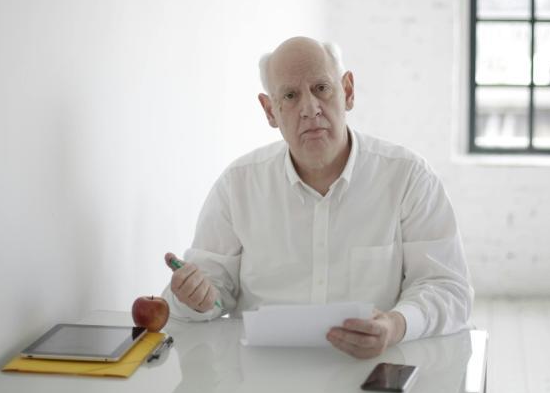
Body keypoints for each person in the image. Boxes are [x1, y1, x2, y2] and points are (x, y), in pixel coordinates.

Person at [162, 36, 473, 359]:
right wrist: (196, 298)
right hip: (262, 383)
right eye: (290, 95)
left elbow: (448, 288)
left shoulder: (408, 177)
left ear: (348, 91)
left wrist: (395, 325)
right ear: (270, 111)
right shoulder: (237, 185)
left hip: (372, 374)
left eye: (321, 89)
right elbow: (209, 295)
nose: (309, 109)